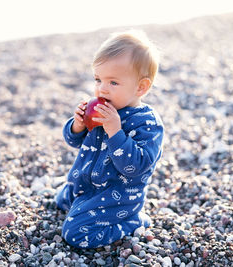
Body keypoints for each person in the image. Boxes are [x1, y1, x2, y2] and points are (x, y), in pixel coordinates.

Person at [56, 30, 164, 248]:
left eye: (113, 82)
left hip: (117, 196)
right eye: (98, 79)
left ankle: (132, 221)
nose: (102, 88)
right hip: (87, 184)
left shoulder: (147, 124)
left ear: (141, 87)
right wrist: (77, 125)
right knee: (60, 200)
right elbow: (73, 141)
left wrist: (116, 132)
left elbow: (137, 166)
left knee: (74, 234)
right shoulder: (104, 108)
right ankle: (83, 202)